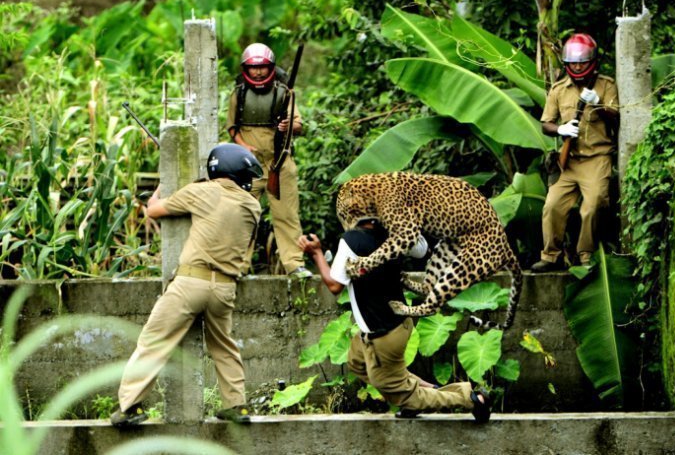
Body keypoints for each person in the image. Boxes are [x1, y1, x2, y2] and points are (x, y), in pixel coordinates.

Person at [110, 143, 263, 427]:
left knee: (153, 342)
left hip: (191, 282)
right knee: (224, 346)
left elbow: (153, 210)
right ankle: (237, 405)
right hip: (225, 288)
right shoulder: (253, 205)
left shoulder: (201, 192)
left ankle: (129, 407)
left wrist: (161, 186)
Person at [298, 220, 491, 421]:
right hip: (398, 323)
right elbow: (422, 250)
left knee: (401, 392)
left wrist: (317, 253)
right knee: (357, 362)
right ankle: (432, 389)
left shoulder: (352, 241)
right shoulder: (396, 232)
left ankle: (472, 399)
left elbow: (335, 285)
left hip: (382, 335)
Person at [531, 33, 619, 272]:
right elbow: (545, 124)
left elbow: (618, 117)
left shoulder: (606, 85)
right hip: (569, 161)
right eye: (573, 63)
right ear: (566, 64)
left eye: (582, 62)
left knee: (593, 205)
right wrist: (560, 128)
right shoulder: (559, 90)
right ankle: (551, 256)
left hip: (597, 158)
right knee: (552, 205)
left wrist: (599, 104)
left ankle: (584, 254)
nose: (578, 67)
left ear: (592, 62)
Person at [226, 42, 311, 278]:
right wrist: (244, 147)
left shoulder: (285, 92)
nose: (258, 72)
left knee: (286, 215)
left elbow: (299, 125)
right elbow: (232, 128)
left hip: (280, 162)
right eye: (253, 68)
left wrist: (288, 126)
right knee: (243, 215)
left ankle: (294, 264)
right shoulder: (239, 94)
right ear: (246, 69)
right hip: (247, 165)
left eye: (263, 67)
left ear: (270, 67)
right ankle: (238, 267)